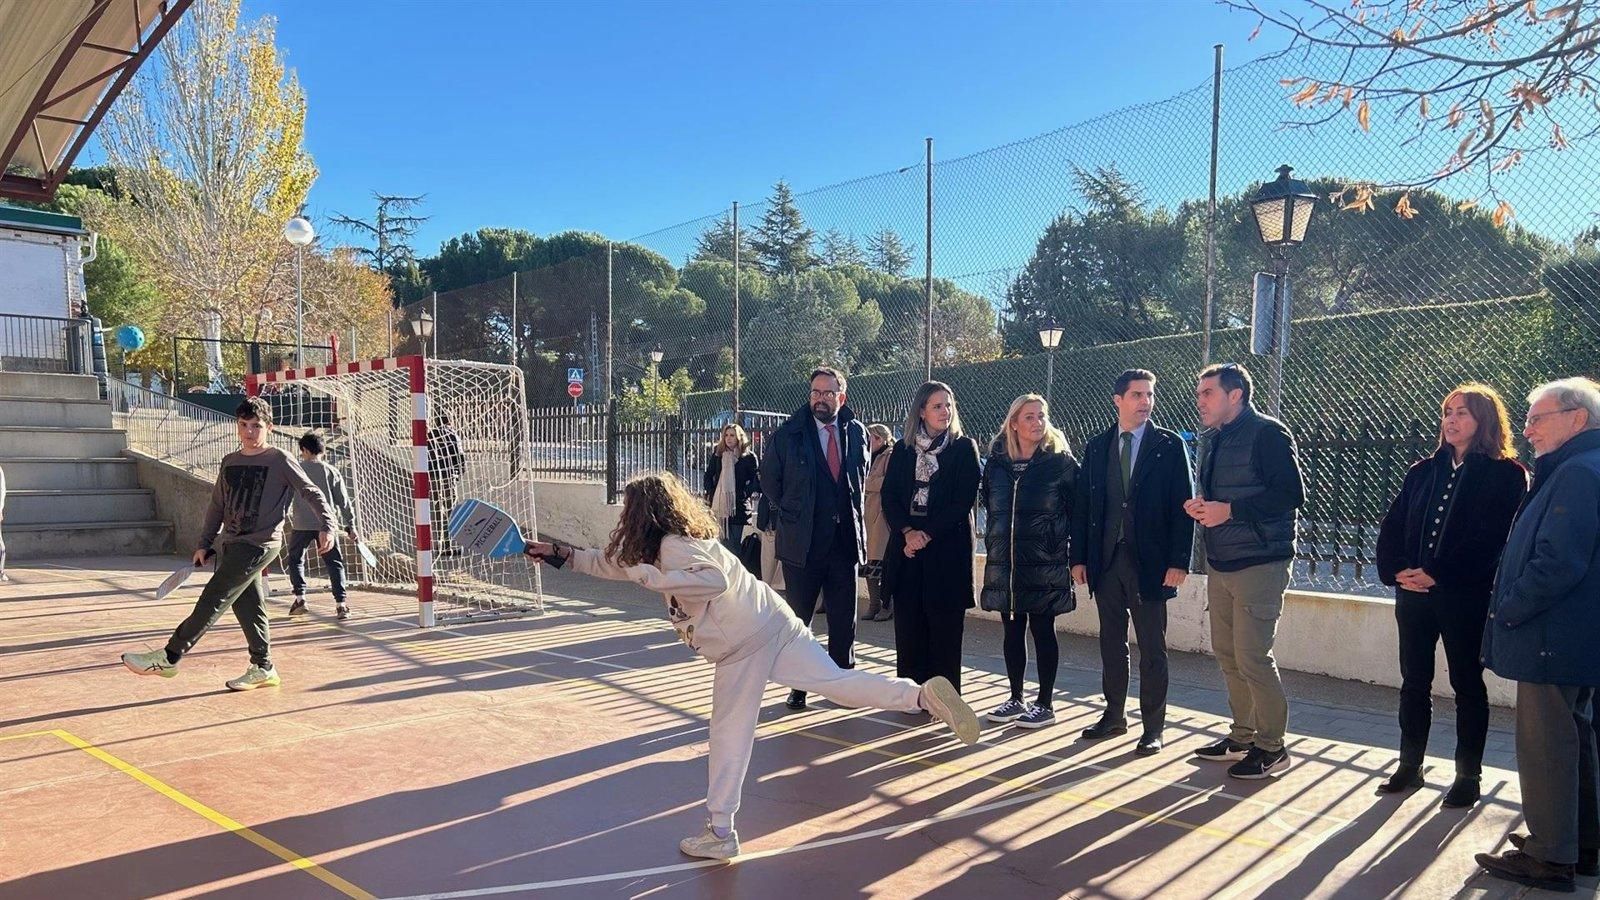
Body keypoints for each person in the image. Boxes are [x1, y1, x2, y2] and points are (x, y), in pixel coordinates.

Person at [523, 473, 978, 861]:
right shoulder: (680, 543)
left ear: (643, 514)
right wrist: (559, 554)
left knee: (729, 733)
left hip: (743, 643)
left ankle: (720, 831)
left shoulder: (673, 549)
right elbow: (609, 564)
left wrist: (655, 578)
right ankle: (919, 696)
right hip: (774, 620)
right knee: (837, 682)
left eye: (628, 509)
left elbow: (714, 581)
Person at [1474, 377, 1600, 893]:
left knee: (1546, 745)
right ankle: (1579, 844)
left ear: (1577, 418)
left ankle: (1551, 856)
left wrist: (1508, 609)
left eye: (1537, 419)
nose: (1526, 431)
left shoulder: (1577, 473)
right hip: (1570, 635)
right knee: (1574, 737)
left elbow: (1558, 561)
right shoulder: (1580, 467)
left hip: (1552, 634)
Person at [1375, 384, 1526, 808]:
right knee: (1413, 681)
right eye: (1447, 412)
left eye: (1462, 412)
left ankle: (1468, 774)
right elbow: (1394, 524)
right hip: (1413, 595)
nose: (1451, 420)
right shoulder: (1423, 471)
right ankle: (1410, 764)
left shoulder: (1506, 474)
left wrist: (1438, 573)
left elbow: (1491, 537)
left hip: (1463, 597)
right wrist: (1398, 570)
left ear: (1485, 420)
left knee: (1466, 683)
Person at [120, 397, 337, 690]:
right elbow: (217, 506)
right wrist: (205, 543)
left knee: (214, 596)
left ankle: (170, 656)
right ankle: (263, 667)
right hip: (231, 543)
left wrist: (327, 526)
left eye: (256, 426)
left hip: (260, 544)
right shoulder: (230, 461)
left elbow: (312, 493)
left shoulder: (280, 460)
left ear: (269, 428)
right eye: (244, 425)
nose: (249, 432)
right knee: (249, 607)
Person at [1186, 363, 1305, 779]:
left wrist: (1230, 511)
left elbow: (1290, 494)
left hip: (1260, 562)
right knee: (1228, 654)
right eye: (1199, 393)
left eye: (1208, 393)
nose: (1200, 401)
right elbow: (1224, 498)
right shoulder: (1216, 438)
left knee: (1253, 657)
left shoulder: (1269, 433)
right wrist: (1204, 508)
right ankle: (1242, 737)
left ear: (1235, 395)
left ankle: (1272, 746)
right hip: (1222, 561)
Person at [1071, 369, 1195, 755]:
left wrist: (1179, 561)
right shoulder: (1097, 447)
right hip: (1106, 562)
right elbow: (1084, 506)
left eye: (1149, 395)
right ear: (1118, 400)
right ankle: (1113, 715)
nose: (1145, 402)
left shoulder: (1168, 446)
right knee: (1111, 642)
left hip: (1151, 564)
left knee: (1153, 649)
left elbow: (1183, 507)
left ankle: (1153, 728)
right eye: (1137, 395)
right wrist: (1079, 558)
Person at [758, 367, 870, 711]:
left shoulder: (857, 432)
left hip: (844, 543)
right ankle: (799, 686)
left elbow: (860, 479)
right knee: (799, 622)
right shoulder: (789, 434)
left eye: (827, 393)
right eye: (815, 393)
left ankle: (842, 684)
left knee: (843, 621)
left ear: (841, 397)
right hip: (802, 544)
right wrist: (797, 512)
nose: (820, 399)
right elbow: (770, 481)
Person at [980, 394, 1078, 728]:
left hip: (1045, 563)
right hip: (1005, 564)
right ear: (1013, 424)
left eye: (1041, 416)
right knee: (1012, 630)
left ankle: (1045, 703)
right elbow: (990, 505)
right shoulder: (996, 465)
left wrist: (1068, 551)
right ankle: (1015, 698)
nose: (1037, 422)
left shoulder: (1060, 464)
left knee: (1043, 629)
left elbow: (1078, 510)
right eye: (1029, 417)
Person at [882, 381, 981, 693]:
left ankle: (945, 699)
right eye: (937, 406)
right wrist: (908, 533)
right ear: (921, 411)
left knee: (945, 633)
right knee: (909, 629)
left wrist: (925, 534)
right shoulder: (902, 450)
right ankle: (912, 697)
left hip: (946, 551)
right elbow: (889, 496)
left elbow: (962, 501)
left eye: (948, 405)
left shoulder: (963, 448)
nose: (945, 411)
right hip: (908, 550)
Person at [285, 431, 362, 621]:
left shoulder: (296, 470)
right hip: (326, 526)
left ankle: (300, 598)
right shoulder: (331, 471)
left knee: (295, 560)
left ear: (304, 450)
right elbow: (343, 501)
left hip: (301, 524)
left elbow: (285, 498)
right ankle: (341, 605)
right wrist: (351, 525)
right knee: (334, 563)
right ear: (323, 450)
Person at [703, 423, 760, 557]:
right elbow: (708, 475)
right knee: (721, 546)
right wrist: (711, 491)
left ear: (739, 437)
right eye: (726, 435)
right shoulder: (718, 454)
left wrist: (744, 493)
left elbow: (756, 480)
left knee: (734, 547)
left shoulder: (748, 457)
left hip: (738, 507)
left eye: (732, 435)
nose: (728, 438)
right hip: (719, 507)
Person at [861, 423, 895, 622]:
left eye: (871, 438)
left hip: (881, 514)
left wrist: (866, 483)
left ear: (881, 439)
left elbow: (889, 482)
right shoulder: (867, 454)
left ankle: (886, 605)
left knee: (881, 562)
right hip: (867, 513)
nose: (867, 441)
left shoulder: (890, 455)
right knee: (868, 562)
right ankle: (874, 604)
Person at [428, 412, 466, 555]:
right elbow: (460, 457)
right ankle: (448, 545)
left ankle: (438, 544)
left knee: (438, 509)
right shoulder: (453, 435)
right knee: (451, 510)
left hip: (434, 476)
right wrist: (458, 474)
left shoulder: (430, 435)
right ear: (450, 421)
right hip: (448, 476)